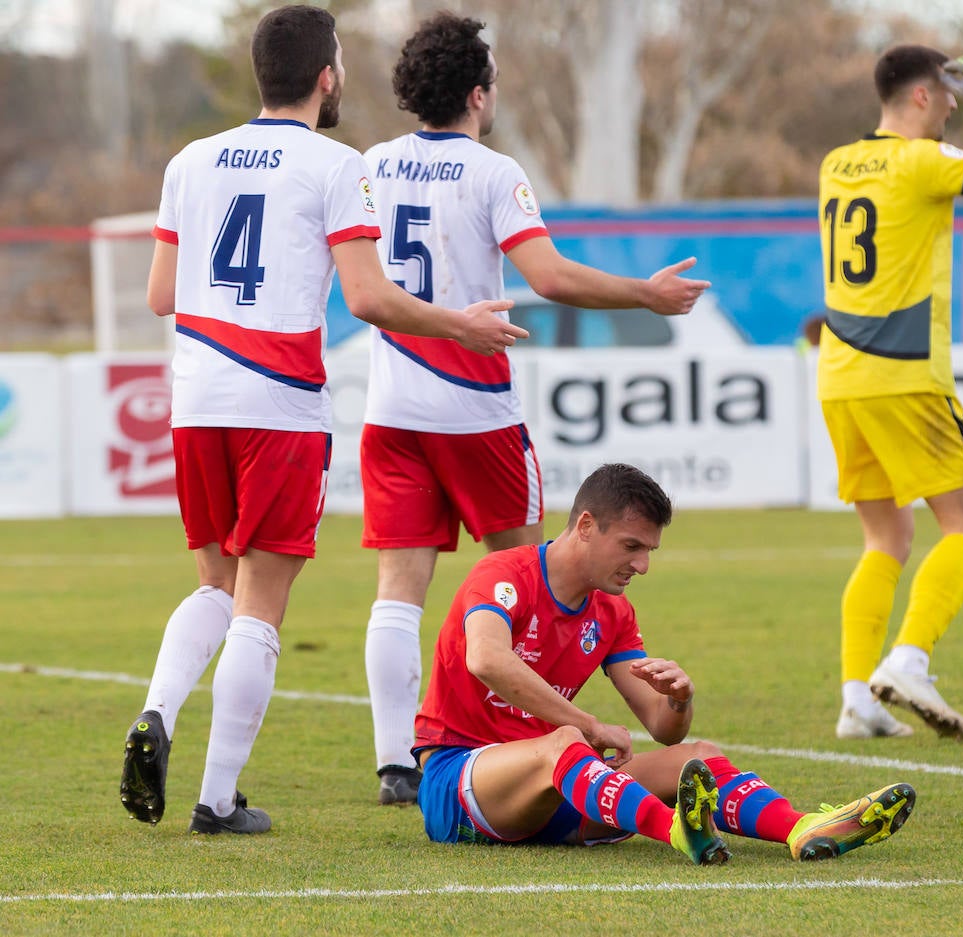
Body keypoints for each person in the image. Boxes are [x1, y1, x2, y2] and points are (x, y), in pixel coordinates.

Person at [119, 4, 525, 836]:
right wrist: (463, 324)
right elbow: (371, 298)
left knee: (213, 586)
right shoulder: (337, 165)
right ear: (326, 77)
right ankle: (218, 799)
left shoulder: (190, 160)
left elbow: (161, 296)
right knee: (261, 604)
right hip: (278, 402)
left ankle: (157, 708)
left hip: (196, 398)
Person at [357, 13, 709, 806]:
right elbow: (547, 276)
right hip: (476, 411)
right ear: (479, 93)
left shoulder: (372, 164)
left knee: (397, 588)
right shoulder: (491, 171)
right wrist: (646, 294)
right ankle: (546, 742)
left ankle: (395, 762)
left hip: (392, 408)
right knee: (537, 582)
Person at [412, 462, 917, 864]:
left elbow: (662, 728)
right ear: (585, 526)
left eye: (649, 550)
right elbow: (485, 658)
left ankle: (802, 827)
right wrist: (586, 723)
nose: (642, 565)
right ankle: (672, 829)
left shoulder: (612, 610)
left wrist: (678, 700)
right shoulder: (505, 574)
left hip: (556, 790)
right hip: (459, 785)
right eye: (631, 547)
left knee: (695, 753)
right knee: (565, 742)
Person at [815, 48, 963, 741]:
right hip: (904, 371)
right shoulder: (922, 162)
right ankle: (909, 660)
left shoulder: (836, 162)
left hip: (841, 374)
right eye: (948, 98)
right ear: (922, 96)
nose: (955, 110)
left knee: (885, 534)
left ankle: (858, 696)